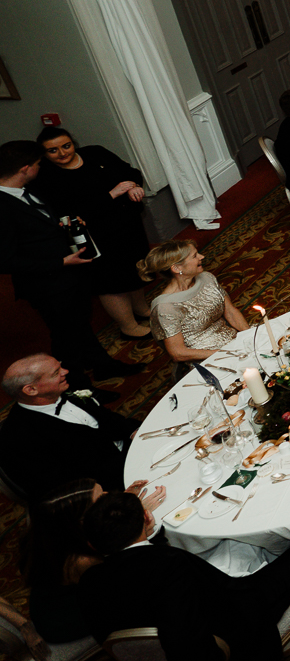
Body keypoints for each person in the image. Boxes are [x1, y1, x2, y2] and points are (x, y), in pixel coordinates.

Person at [80, 490, 290, 659]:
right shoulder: (170, 564)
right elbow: (194, 637)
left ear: (93, 544)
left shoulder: (88, 583)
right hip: (239, 624)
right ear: (147, 517)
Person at [0, 141, 136, 385]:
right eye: (39, 164)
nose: (42, 168)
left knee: (81, 325)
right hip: (47, 285)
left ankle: (103, 366)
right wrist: (60, 261)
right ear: (25, 168)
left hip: (68, 277)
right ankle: (77, 388)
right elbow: (5, 259)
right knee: (66, 338)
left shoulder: (26, 189)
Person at [32, 126, 152, 341]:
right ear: (44, 154)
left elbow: (129, 172)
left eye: (66, 146)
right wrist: (111, 195)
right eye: (53, 150)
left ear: (73, 143)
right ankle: (128, 326)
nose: (62, 153)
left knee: (134, 267)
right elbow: (66, 214)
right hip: (94, 236)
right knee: (111, 280)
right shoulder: (45, 178)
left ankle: (141, 309)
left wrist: (133, 185)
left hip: (127, 225)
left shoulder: (96, 153)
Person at [24, 478, 162, 647]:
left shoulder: (55, 535)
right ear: (84, 521)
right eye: (101, 500)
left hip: (63, 598)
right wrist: (137, 529)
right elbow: (130, 578)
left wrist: (122, 505)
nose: (110, 495)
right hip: (66, 619)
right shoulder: (83, 561)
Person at [0, 356, 137, 498]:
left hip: (131, 448)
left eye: (60, 366)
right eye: (56, 373)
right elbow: (60, 489)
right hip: (112, 485)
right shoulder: (20, 439)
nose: (65, 372)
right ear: (31, 390)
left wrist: (134, 432)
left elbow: (107, 419)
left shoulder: (63, 390)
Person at [140, 240, 245, 368]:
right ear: (176, 268)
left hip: (232, 339)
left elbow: (231, 312)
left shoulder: (207, 278)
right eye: (195, 256)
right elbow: (178, 353)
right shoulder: (165, 307)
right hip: (205, 357)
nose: (202, 257)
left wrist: (250, 335)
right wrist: (224, 353)